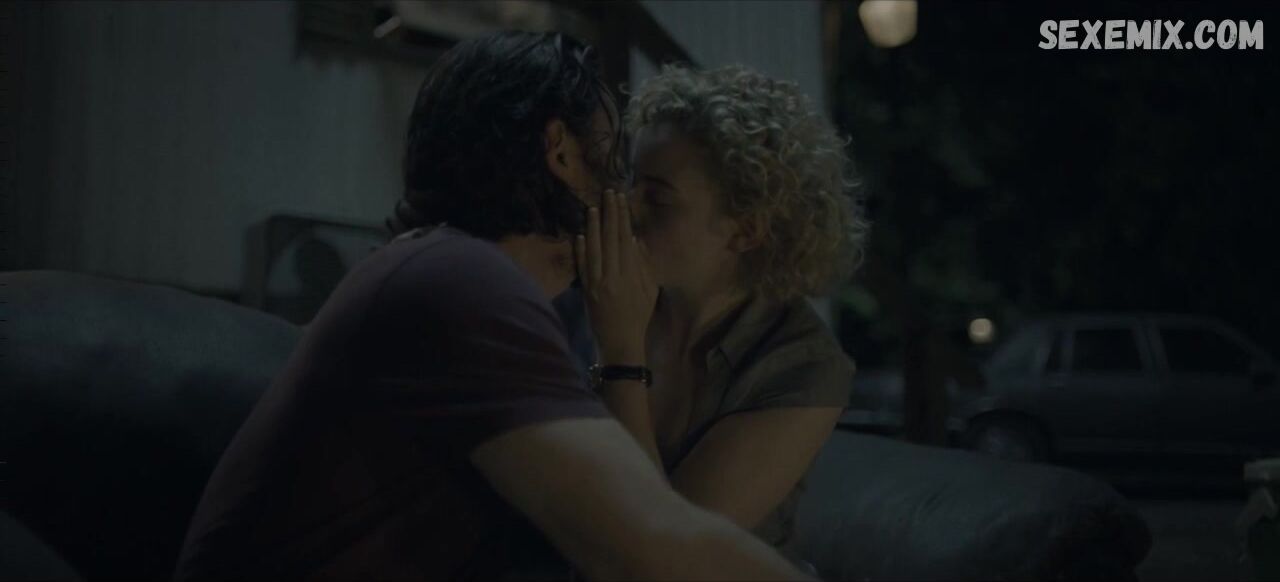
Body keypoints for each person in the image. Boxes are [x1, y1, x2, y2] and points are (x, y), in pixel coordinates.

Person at [174, 32, 810, 581]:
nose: (622, 200)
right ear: (561, 151)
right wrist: (622, 349)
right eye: (612, 162)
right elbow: (649, 547)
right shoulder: (461, 283)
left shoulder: (436, 270)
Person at [570, 64, 869, 565]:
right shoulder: (610, 289)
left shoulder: (805, 368)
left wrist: (620, 352)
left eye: (657, 197)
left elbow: (661, 554)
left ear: (745, 232)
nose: (625, 206)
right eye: (630, 180)